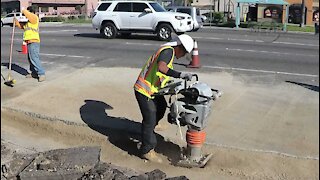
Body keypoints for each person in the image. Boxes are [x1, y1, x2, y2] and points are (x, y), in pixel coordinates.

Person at [134, 34, 194, 163]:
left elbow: (160, 72)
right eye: (184, 53)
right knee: (149, 118)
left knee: (161, 107)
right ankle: (147, 150)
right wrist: (180, 74)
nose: (183, 56)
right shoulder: (168, 51)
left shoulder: (169, 52)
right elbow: (162, 67)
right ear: (180, 47)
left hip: (153, 90)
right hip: (144, 90)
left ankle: (152, 128)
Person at [15, 6, 46, 82]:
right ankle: (34, 73)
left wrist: (23, 10)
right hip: (28, 41)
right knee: (30, 58)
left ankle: (41, 73)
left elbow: (28, 15)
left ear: (31, 12)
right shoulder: (28, 22)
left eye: (27, 13)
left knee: (34, 58)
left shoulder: (34, 18)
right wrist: (16, 22)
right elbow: (22, 26)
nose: (25, 15)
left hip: (34, 41)